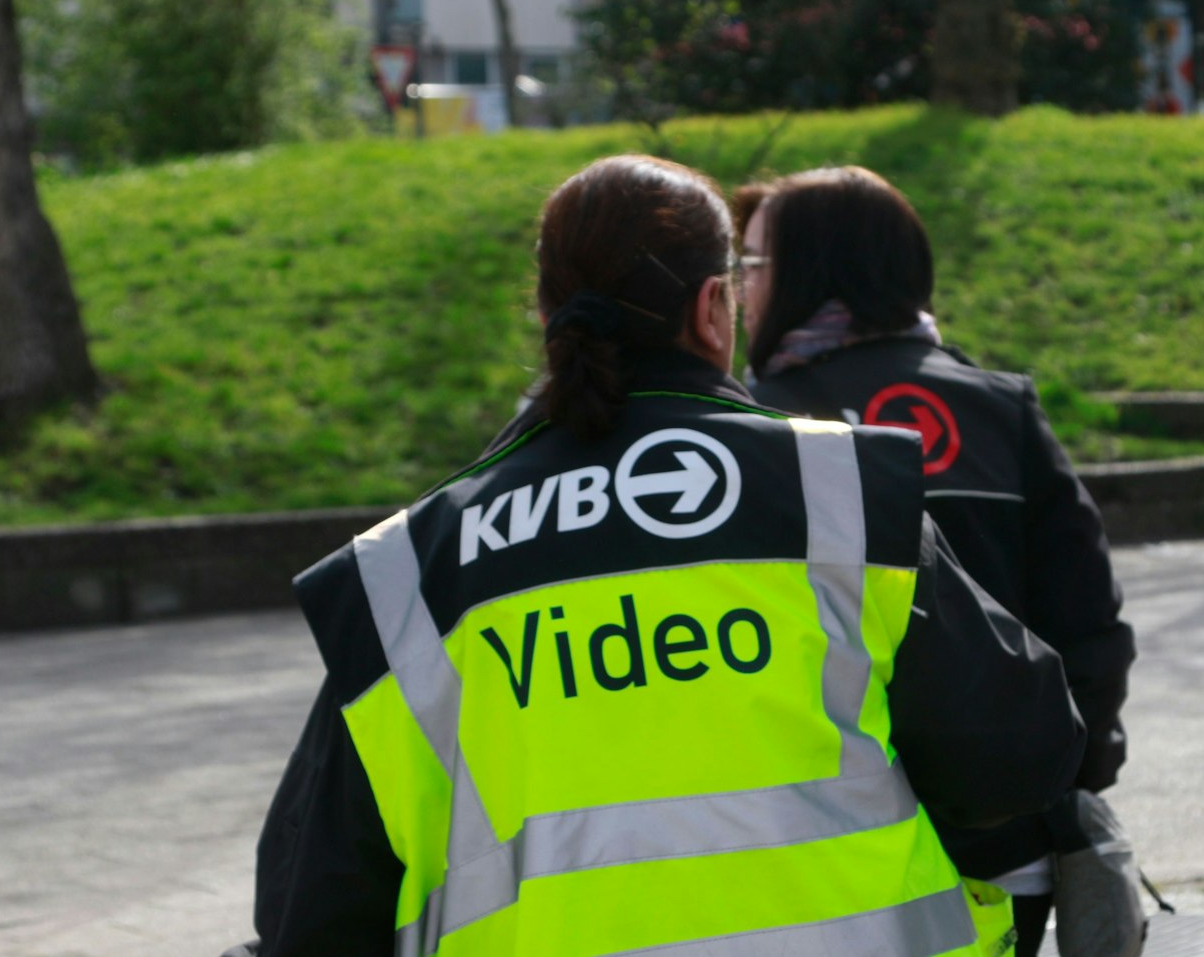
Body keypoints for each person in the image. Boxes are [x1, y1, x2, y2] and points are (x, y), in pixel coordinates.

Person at [240, 155, 1085, 957]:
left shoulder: (411, 571)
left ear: (545, 316)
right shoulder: (836, 493)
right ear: (714, 307)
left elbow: (314, 900)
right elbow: (1022, 751)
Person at [735, 167, 1136, 957]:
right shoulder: (999, 405)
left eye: (753, 264)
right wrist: (1062, 780)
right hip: (1004, 843)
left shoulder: (756, 428)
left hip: (826, 851)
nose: (742, 287)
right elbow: (1087, 621)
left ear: (812, 271)